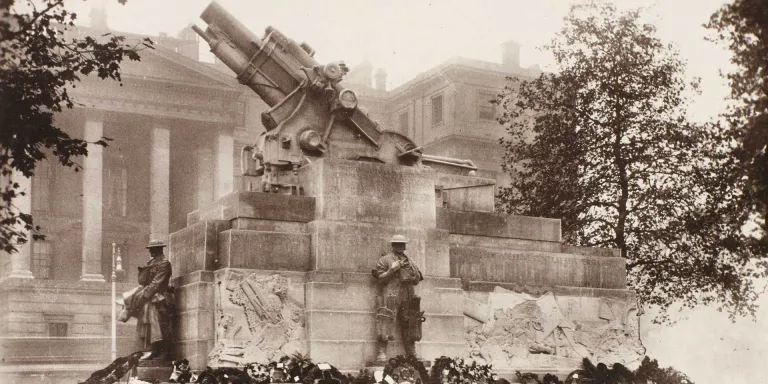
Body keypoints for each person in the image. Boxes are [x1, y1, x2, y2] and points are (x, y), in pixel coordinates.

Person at [372, 235, 424, 362]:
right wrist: (392, 269)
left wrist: (416, 274)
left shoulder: (410, 261)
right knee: (386, 320)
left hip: (408, 293)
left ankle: (411, 351)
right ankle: (382, 352)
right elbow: (380, 279)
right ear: (393, 245)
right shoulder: (385, 260)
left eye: (403, 244)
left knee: (410, 322)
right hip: (391, 293)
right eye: (398, 244)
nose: (401, 246)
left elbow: (417, 281)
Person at [131, 239, 173, 360]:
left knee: (159, 324)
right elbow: (142, 281)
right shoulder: (151, 263)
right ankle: (153, 350)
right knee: (149, 324)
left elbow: (156, 283)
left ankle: (162, 352)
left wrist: (144, 296)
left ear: (158, 249)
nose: (150, 251)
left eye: (152, 249)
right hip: (150, 297)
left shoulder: (164, 263)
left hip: (160, 298)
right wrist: (145, 269)